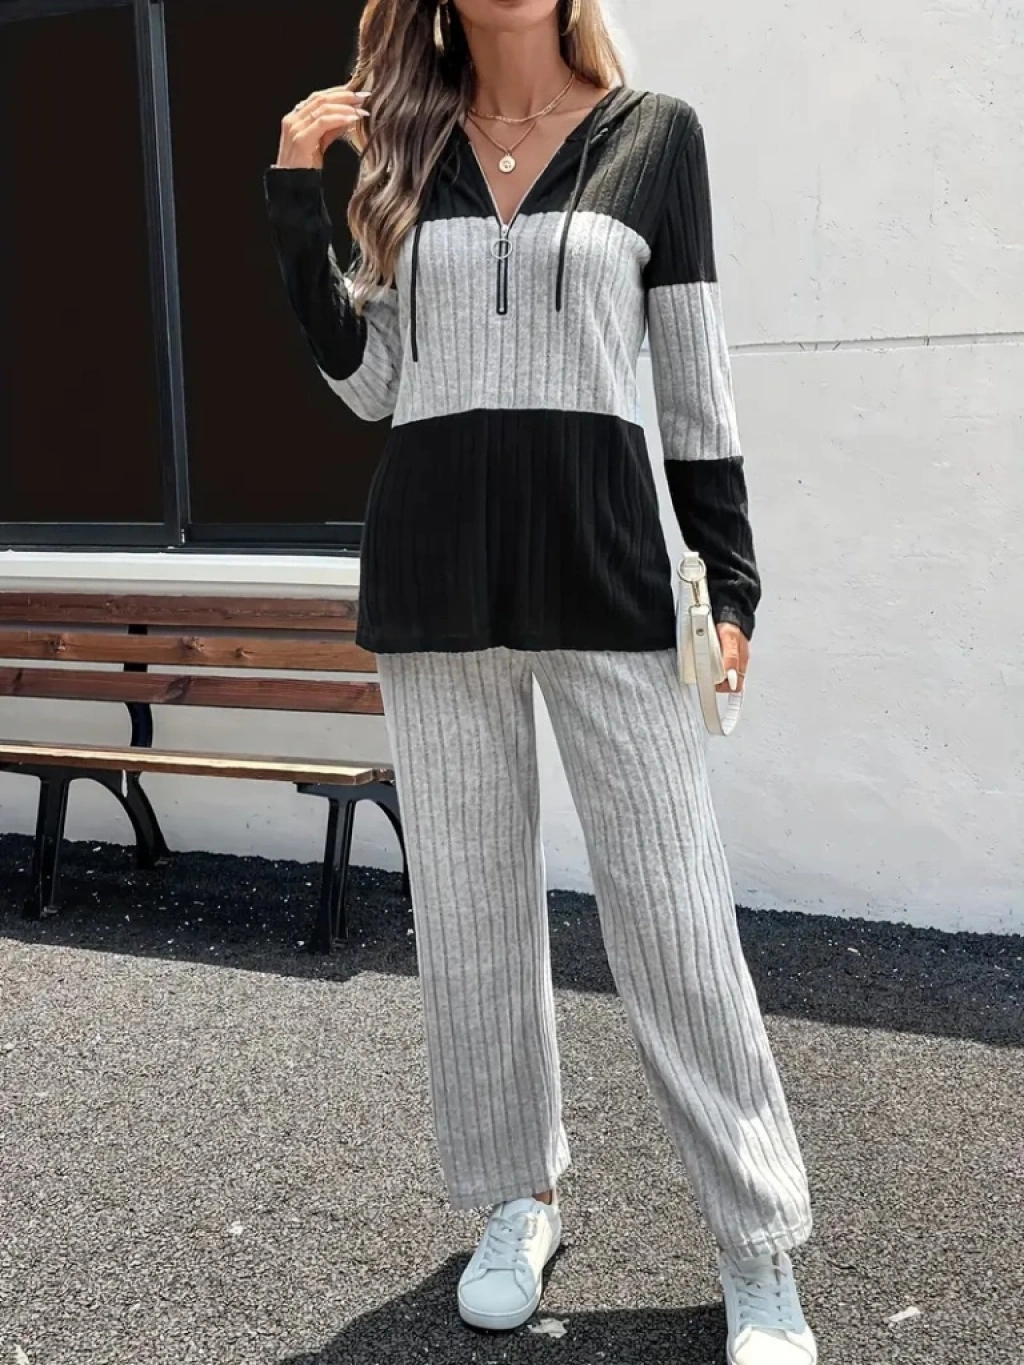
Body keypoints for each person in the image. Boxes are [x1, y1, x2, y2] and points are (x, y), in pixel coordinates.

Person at [265, 1, 817, 1360]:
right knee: (471, 923)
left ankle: (756, 1240)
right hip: (435, 585)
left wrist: (730, 581)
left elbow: (693, 382)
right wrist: (296, 199)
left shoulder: (654, 138)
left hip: (606, 576)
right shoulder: (409, 148)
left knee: (678, 921)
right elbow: (371, 384)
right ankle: (517, 1198)